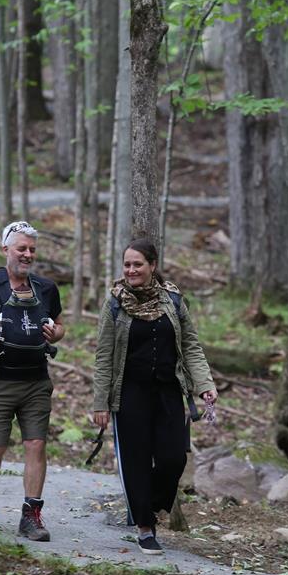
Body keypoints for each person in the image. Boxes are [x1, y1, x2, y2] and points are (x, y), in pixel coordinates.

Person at [90, 238, 217, 555]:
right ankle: (145, 527)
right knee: (134, 460)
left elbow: (190, 346)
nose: (131, 270)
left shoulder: (173, 300)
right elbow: (104, 356)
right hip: (129, 392)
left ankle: (155, 501)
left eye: (138, 264)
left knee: (174, 458)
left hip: (169, 390)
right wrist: (100, 403)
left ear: (153, 266)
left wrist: (204, 383)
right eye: (127, 264)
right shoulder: (115, 304)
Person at [0, 220, 65, 541]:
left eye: (32, 249)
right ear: (5, 249)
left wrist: (54, 332)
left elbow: (60, 325)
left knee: (36, 444)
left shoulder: (46, 288)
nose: (28, 254)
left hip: (35, 380)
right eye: (22, 248)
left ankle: (31, 515)